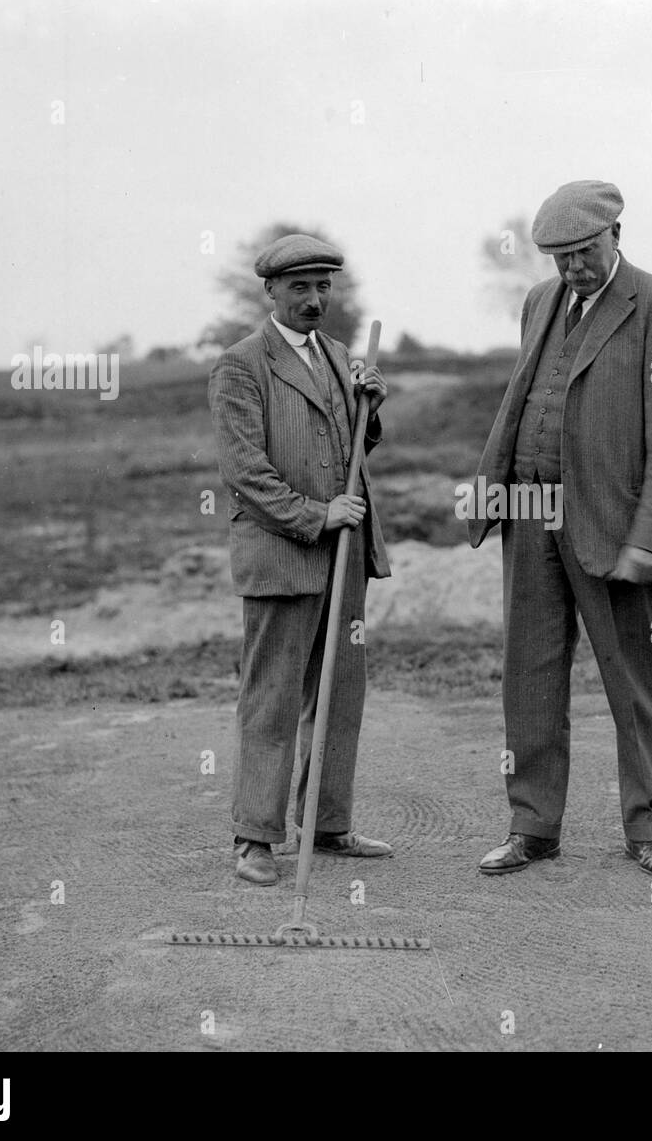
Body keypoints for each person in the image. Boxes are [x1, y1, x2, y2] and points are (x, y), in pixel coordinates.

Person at [469, 180, 652, 879]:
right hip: (528, 515)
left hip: (611, 523)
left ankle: (648, 829)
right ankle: (532, 826)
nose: (574, 268)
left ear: (617, 237)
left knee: (633, 680)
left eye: (585, 251)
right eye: (561, 256)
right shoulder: (540, 302)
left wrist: (650, 541)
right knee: (530, 674)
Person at [208, 233, 392, 885]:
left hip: (346, 558)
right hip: (284, 555)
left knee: (341, 693)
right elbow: (245, 474)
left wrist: (371, 406)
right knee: (274, 697)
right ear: (271, 293)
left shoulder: (341, 356)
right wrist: (318, 515)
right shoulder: (241, 364)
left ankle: (328, 822)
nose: (314, 299)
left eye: (322, 287)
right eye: (299, 288)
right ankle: (255, 837)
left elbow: (352, 447)